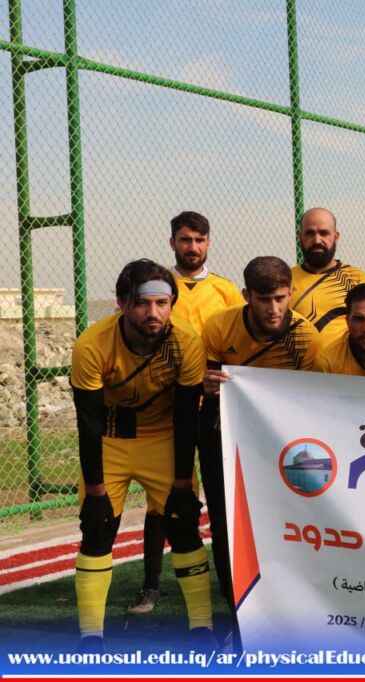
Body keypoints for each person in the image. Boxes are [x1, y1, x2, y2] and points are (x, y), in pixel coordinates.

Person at [70, 260, 213, 652]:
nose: (154, 313)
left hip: (163, 437)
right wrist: (95, 491)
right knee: (97, 529)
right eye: (142, 303)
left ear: (172, 304)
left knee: (183, 524)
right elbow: (89, 422)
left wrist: (182, 482)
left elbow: (187, 416)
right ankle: (90, 636)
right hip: (110, 439)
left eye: (162, 303)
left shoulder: (186, 343)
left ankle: (202, 628)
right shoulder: (92, 345)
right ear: (122, 304)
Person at [199, 256, 322, 641]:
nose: (273, 308)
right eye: (264, 299)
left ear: (291, 294)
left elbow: (313, 403)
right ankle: (235, 606)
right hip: (227, 440)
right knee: (226, 524)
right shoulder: (219, 327)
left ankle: (293, 606)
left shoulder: (307, 338)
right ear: (246, 295)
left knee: (288, 523)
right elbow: (202, 386)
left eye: (280, 298)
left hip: (283, 445)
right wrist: (207, 385)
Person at [128, 211, 245, 617]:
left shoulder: (226, 291)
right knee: (163, 500)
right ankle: (150, 586)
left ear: (209, 243)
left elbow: (238, 346)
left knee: (223, 500)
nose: (192, 247)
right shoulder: (160, 289)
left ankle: (230, 585)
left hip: (215, 411)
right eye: (184, 239)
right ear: (172, 243)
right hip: (169, 409)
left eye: (199, 239)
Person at [290, 207, 365, 346]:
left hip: (343, 360)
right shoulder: (284, 280)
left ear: (336, 237)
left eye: (324, 233)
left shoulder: (357, 279)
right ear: (300, 237)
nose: (317, 240)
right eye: (309, 233)